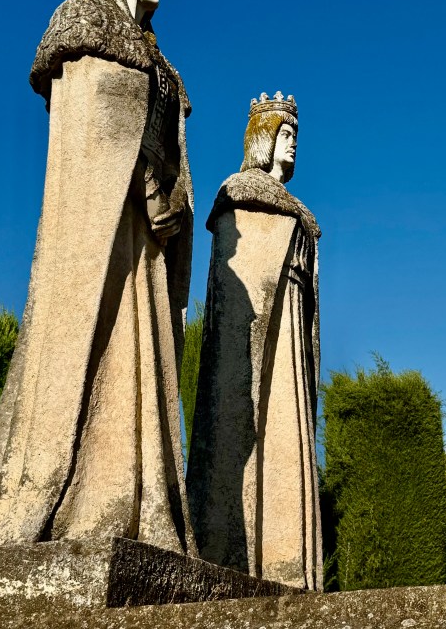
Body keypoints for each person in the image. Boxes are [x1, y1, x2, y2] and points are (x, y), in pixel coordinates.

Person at [0, 0, 195, 555]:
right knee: (96, 342)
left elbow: (171, 149)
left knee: (141, 358)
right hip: (100, 232)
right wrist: (144, 182)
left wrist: (170, 200)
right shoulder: (83, 23)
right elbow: (96, 123)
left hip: (145, 243)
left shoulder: (164, 66)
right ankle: (87, 497)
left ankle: (137, 501)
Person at [188, 93, 322, 590]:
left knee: (287, 428)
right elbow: (236, 284)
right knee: (243, 426)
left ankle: (287, 563)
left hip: (290, 320)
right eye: (285, 134)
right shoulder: (238, 192)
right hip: (258, 332)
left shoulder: (300, 212)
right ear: (263, 139)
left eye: (296, 136)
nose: (292, 144)